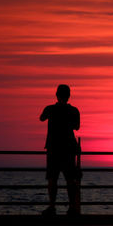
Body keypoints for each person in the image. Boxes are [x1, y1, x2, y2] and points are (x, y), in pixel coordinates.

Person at [40, 84, 81, 216]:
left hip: (53, 148)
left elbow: (41, 118)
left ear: (57, 95)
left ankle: (52, 206)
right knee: (70, 179)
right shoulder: (74, 111)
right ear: (69, 96)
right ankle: (72, 207)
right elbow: (77, 127)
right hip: (68, 148)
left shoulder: (50, 109)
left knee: (52, 179)